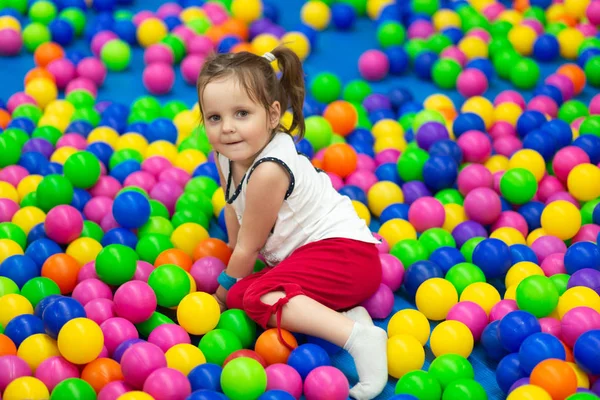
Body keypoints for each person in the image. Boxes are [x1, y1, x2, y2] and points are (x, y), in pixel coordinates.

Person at [196, 45, 388, 400]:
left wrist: (219, 298)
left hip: (348, 261)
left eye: (241, 114)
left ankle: (359, 337)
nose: (227, 129)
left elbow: (249, 246)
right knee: (245, 291)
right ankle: (345, 313)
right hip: (323, 262)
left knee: (250, 297)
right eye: (215, 118)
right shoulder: (227, 154)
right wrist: (236, 273)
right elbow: (233, 207)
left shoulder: (269, 170)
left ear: (272, 115)